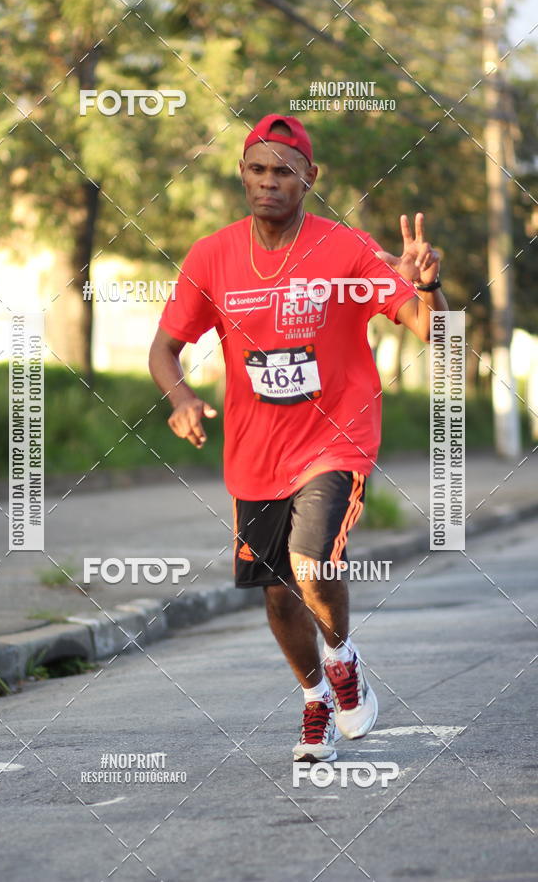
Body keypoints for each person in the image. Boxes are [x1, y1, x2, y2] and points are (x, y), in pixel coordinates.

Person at [149, 113, 447, 762]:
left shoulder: (347, 250)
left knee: (312, 561)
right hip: (254, 456)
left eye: (284, 171)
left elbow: (431, 330)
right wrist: (180, 397)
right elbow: (164, 349)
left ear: (311, 179)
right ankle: (314, 696)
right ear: (241, 175)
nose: (268, 183)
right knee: (279, 594)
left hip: (335, 440)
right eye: (257, 170)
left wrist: (426, 282)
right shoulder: (212, 254)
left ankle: (342, 658)